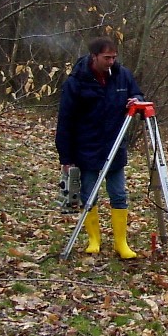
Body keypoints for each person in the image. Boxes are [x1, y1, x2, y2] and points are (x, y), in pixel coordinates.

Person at [55, 36, 143, 259]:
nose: (111, 61)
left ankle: (121, 243)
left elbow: (137, 94)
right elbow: (65, 121)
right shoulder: (76, 82)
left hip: (115, 147)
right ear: (94, 56)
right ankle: (94, 240)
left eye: (114, 57)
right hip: (86, 148)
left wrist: (136, 101)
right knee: (89, 194)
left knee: (119, 194)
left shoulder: (123, 75)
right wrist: (66, 157)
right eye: (107, 57)